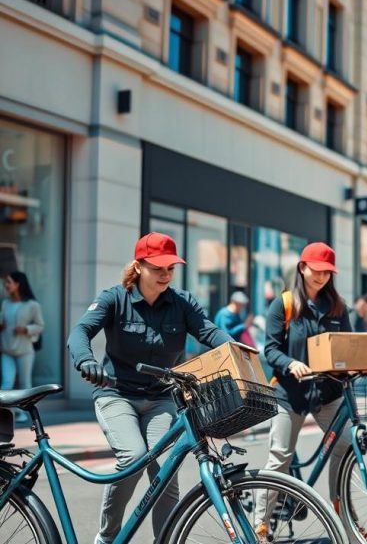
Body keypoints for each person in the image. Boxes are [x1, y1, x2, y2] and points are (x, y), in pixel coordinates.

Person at [67, 232, 232, 544]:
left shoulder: (182, 302)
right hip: (117, 394)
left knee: (166, 471)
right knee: (133, 458)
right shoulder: (114, 298)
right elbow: (80, 331)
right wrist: (85, 360)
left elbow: (208, 331)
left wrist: (237, 350)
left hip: (161, 399)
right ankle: (107, 537)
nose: (165, 274)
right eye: (157, 268)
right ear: (138, 266)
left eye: (171, 268)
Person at [254, 242, 353, 534]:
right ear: (302, 268)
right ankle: (260, 527)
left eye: (327, 272)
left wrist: (358, 364)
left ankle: (340, 512)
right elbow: (270, 350)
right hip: (290, 394)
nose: (321, 276)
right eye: (316, 270)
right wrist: (290, 363)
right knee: (280, 459)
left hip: (328, 393)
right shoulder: (284, 304)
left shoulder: (337, 306)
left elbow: (348, 345)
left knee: (346, 446)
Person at [1, 272, 44, 422]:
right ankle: (6, 414)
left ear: (18, 284)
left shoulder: (32, 305)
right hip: (6, 349)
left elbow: (40, 326)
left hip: (25, 350)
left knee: (25, 384)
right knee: (7, 382)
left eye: (9, 282)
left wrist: (26, 329)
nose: (6, 285)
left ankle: (24, 413)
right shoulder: (5, 303)